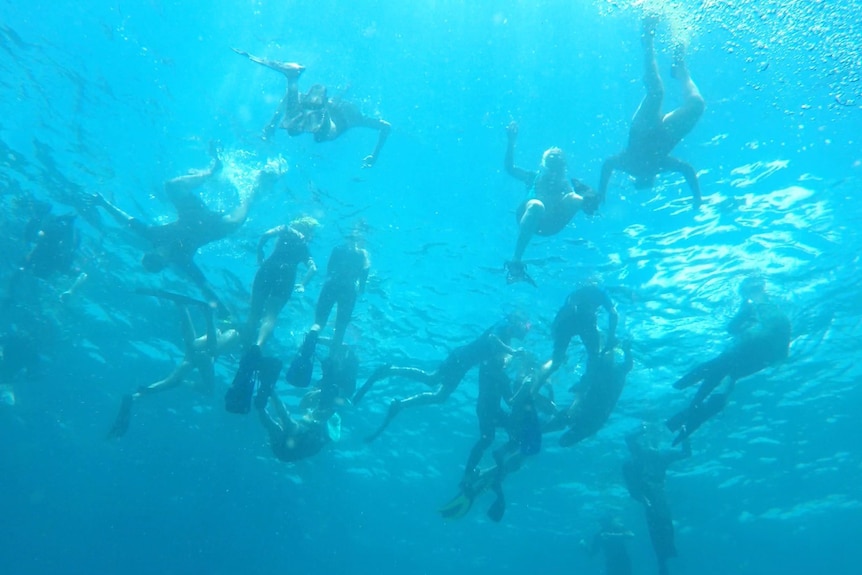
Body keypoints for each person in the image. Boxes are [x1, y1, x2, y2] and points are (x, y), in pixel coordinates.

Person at [90, 143, 279, 316]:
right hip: (214, 229)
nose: (158, 252)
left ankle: (211, 171)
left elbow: (128, 221)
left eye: (152, 253)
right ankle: (255, 189)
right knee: (236, 221)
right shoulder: (181, 260)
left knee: (171, 186)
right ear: (165, 263)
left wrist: (103, 203)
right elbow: (203, 286)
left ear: (150, 250)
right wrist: (221, 308)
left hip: (192, 214)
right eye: (158, 259)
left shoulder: (153, 235)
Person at [356, 313, 530, 443]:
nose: (527, 331)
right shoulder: (504, 324)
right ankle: (390, 371)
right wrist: (512, 352)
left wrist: (511, 359)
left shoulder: (507, 336)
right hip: (460, 358)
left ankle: (400, 403)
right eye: (526, 326)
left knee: (439, 396)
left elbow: (494, 358)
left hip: (463, 364)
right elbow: (492, 338)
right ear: (518, 323)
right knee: (432, 380)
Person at [666, 277, 791, 445]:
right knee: (723, 384)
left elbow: (733, 329)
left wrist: (745, 316)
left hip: (745, 353)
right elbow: (778, 341)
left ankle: (688, 412)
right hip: (757, 357)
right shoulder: (765, 308)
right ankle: (688, 416)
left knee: (716, 373)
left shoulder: (756, 307)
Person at [598, 17, 705, 208]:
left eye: (643, 180)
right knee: (697, 106)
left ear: (636, 179)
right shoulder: (661, 166)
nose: (647, 177)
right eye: (649, 180)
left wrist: (602, 193)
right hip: (664, 132)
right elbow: (687, 169)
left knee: (656, 92)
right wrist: (697, 198)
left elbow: (607, 164)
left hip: (642, 129)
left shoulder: (629, 165)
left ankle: (647, 38)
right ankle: (681, 70)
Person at [108, 290, 241, 438]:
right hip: (204, 357)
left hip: (194, 354)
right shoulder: (234, 333)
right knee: (207, 387)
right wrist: (210, 317)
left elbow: (205, 344)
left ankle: (135, 396)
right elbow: (213, 348)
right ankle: (181, 382)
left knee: (175, 373)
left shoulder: (220, 333)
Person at [233, 49, 391, 168]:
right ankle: (296, 83)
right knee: (322, 135)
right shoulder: (357, 117)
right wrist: (374, 155)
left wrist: (273, 122)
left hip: (323, 106)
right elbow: (385, 126)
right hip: (330, 117)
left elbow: (385, 126)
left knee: (295, 127)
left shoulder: (339, 101)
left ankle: (293, 78)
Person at [502, 121, 599, 285]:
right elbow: (510, 168)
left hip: (551, 225)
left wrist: (589, 202)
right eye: (551, 159)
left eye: (558, 160)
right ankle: (516, 261)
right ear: (543, 164)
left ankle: (592, 212)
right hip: (528, 216)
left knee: (576, 199)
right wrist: (511, 142)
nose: (554, 162)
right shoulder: (533, 177)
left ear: (564, 166)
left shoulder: (570, 185)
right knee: (536, 206)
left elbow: (587, 198)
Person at [285, 234, 370, 388]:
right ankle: (329, 371)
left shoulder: (337, 249)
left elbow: (330, 268)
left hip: (331, 284)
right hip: (349, 289)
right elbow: (365, 271)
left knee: (318, 323)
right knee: (340, 331)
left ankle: (308, 345)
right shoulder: (363, 253)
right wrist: (361, 287)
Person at [254, 349, 348, 462]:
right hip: (289, 450)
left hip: (292, 447)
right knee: (279, 424)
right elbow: (302, 409)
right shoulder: (321, 422)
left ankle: (266, 393)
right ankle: (264, 399)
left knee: (284, 423)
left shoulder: (325, 423)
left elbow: (296, 415)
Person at [623, 424, 691, 575]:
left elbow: (686, 453)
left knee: (664, 528)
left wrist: (685, 433)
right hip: (651, 496)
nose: (651, 444)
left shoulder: (659, 455)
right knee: (658, 530)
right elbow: (628, 439)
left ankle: (666, 561)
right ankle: (663, 562)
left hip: (658, 496)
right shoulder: (638, 458)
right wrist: (642, 429)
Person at [245, 216, 318, 349]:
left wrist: (260, 251)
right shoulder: (304, 247)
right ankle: (258, 345)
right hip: (287, 276)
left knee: (254, 311)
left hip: (268, 268)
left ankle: (246, 341)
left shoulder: (285, 229)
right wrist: (303, 284)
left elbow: (266, 234)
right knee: (271, 314)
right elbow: (313, 268)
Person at [530, 283, 619, 393]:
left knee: (558, 360)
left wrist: (554, 330)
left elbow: (564, 312)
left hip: (569, 324)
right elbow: (613, 313)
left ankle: (535, 388)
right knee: (594, 356)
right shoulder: (599, 293)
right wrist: (611, 336)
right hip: (581, 324)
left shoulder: (579, 292)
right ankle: (584, 383)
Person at [545, 340, 632, 447]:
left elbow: (628, 364)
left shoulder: (614, 370)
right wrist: (627, 350)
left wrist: (627, 351)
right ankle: (547, 427)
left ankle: (549, 427)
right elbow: (628, 365)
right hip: (593, 411)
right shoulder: (607, 370)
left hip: (595, 414)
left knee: (566, 436)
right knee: (564, 428)